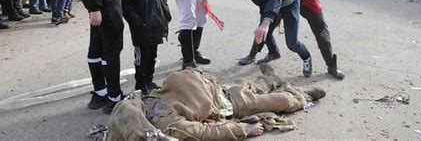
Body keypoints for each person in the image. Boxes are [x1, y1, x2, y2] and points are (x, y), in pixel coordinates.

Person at [107, 64, 326, 140]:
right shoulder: (168, 126)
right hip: (228, 106)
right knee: (279, 101)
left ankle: (271, 78)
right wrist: (244, 129)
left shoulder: (144, 101)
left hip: (217, 88)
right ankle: (304, 96)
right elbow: (205, 133)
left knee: (254, 85)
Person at [199, 0, 313, 77]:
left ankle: (307, 58)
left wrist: (266, 22)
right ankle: (271, 53)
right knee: (263, 33)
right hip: (267, 3)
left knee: (292, 43)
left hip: (288, 1)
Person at [121, 0, 171, 95]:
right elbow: (126, 3)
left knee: (153, 55)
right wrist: (136, 21)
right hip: (141, 26)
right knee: (142, 57)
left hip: (157, 24)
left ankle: (149, 80)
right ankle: (140, 84)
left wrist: (166, 15)